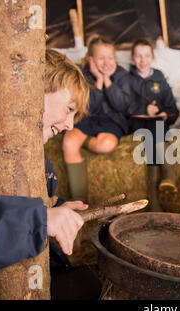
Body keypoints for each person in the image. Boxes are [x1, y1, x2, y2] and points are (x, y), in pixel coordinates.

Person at [0, 49, 101, 300]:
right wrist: (38, 221)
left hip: (5, 272)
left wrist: (53, 208)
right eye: (69, 108)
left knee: (85, 284)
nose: (70, 125)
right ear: (35, 87)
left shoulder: (33, 152)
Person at [62, 34, 132, 203]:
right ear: (90, 59)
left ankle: (85, 140)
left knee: (105, 145)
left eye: (110, 58)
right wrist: (97, 81)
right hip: (87, 118)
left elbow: (122, 106)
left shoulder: (122, 75)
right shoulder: (81, 74)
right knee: (69, 143)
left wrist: (106, 80)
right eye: (101, 58)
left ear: (115, 59)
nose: (106, 62)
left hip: (111, 120)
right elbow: (88, 107)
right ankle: (79, 199)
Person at [127, 38, 179, 211]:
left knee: (155, 130)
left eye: (146, 56)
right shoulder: (128, 80)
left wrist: (166, 114)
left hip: (156, 125)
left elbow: (172, 108)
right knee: (151, 131)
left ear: (152, 57)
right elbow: (122, 105)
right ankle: (168, 174)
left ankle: (155, 200)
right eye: (138, 56)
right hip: (136, 124)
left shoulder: (159, 79)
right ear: (133, 58)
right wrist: (144, 109)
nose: (142, 60)